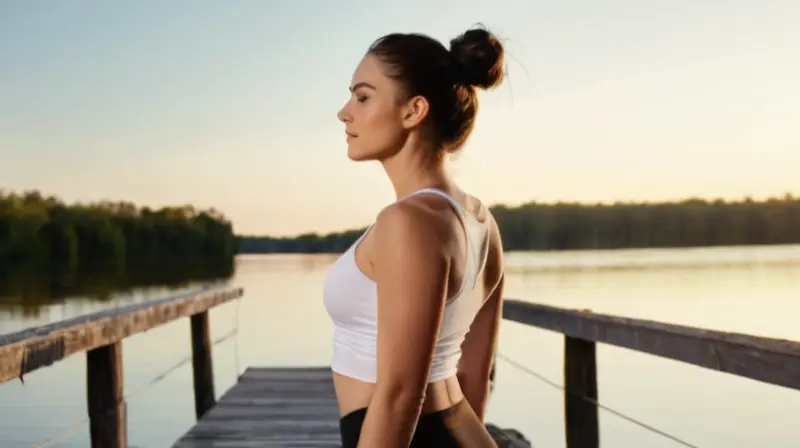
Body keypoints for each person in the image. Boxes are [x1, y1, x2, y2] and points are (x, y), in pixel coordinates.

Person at [323, 25, 507, 448]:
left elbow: (401, 395)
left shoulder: (407, 222)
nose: (344, 112)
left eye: (363, 96)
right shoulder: (481, 222)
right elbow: (475, 377)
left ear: (413, 111)